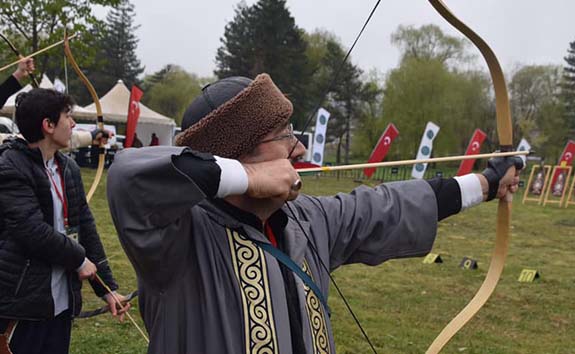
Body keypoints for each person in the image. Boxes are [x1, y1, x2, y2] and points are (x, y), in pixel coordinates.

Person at [107, 74, 521, 354]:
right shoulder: (178, 239)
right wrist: (250, 179)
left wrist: (486, 183)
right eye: (283, 135)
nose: (299, 149)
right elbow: (129, 178)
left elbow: (385, 208)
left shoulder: (306, 220)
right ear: (237, 154)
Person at [0, 88, 130, 354]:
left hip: (60, 304)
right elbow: (31, 230)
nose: (73, 124)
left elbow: (85, 226)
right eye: (67, 117)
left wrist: (107, 288)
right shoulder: (10, 166)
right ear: (48, 125)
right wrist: (79, 260)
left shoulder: (67, 168)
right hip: (22, 302)